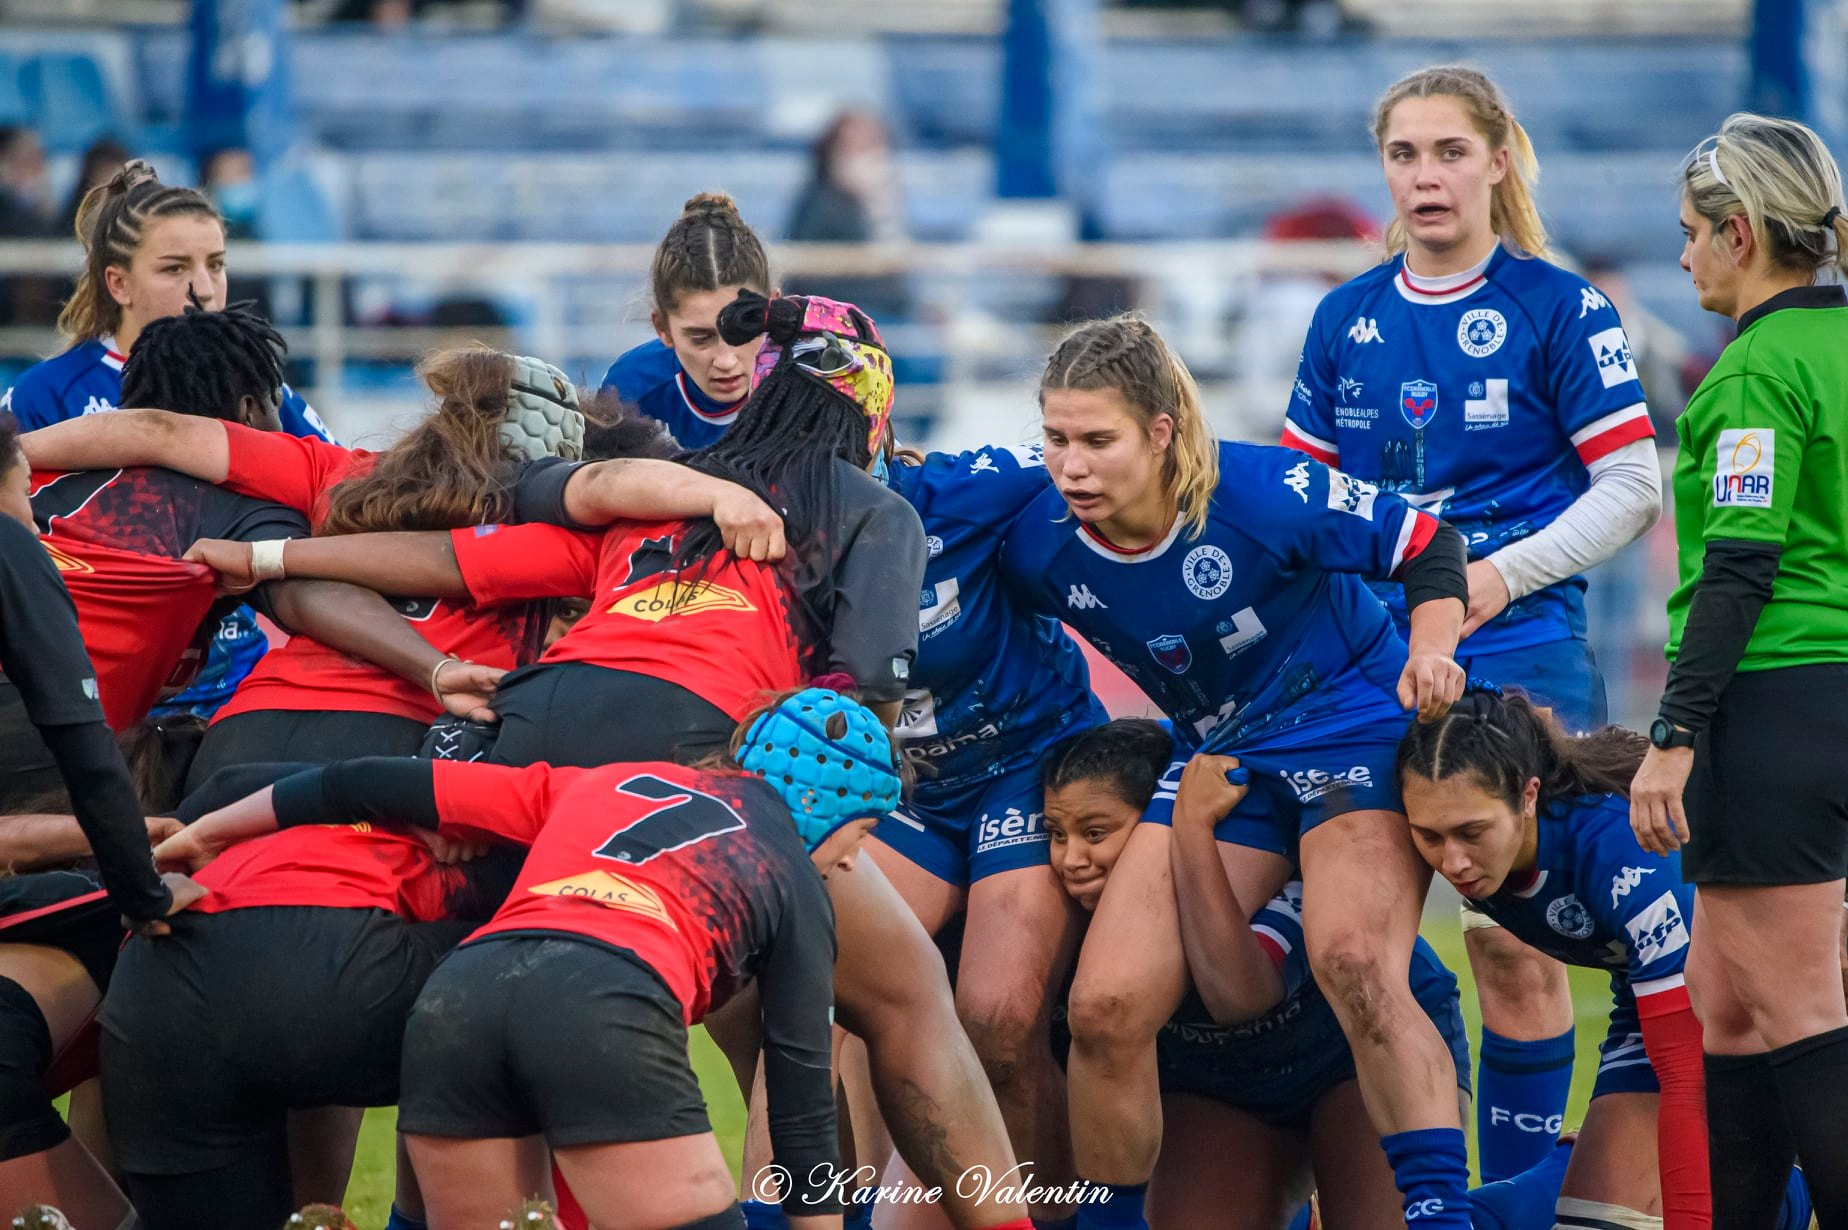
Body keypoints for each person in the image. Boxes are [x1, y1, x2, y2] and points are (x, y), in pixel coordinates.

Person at [187, 292, 1037, 1230]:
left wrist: (271, 558)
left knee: (496, 982)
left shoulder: (651, 490)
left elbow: (459, 554)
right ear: (872, 412)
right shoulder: (874, 510)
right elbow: (855, 710)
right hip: (690, 745)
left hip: (530, 730)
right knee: (903, 998)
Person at [1000, 314, 1471, 1230]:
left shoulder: (1263, 491)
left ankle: (1443, 1214)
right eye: (1055, 440)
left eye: (1098, 441)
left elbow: (1428, 546)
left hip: (1352, 725)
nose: (1072, 467)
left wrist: (1433, 651)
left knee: (1353, 962)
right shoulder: (1039, 545)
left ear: (1163, 432)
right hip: (1224, 754)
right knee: (1103, 1006)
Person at [1280, 64, 1664, 1182]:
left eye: (1449, 152)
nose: (1426, 176)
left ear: (1499, 159)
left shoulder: (1559, 305)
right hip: (1374, 650)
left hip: (1521, 633)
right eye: (1404, 155)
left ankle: (1522, 1196)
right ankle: (1415, 1190)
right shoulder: (1344, 319)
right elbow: (1307, 514)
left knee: (1510, 934)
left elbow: (1633, 485)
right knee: (1354, 946)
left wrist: (1495, 576)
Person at [156, 686, 903, 1230]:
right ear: (828, 810)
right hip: (606, 999)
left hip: (461, 997)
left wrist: (206, 833)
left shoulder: (602, 781)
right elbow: (802, 1088)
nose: (850, 861)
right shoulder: (793, 872)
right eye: (861, 836)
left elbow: (365, 781)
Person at [22, 336, 595, 790]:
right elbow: (445, 562)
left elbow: (153, 429)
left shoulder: (340, 470)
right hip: (396, 736)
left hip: (243, 731)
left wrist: (12, 460)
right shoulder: (559, 544)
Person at [1628, 113, 1848, 1226]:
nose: (1681, 258)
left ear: (1741, 232)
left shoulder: (1758, 371)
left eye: (1690, 234)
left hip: (1775, 701)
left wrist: (1672, 738)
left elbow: (1741, 569)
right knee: (1725, 1004)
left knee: (1804, 1007)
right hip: (1828, 699)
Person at [1040, 719, 1472, 1230]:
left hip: (1349, 1060)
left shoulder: (1270, 865)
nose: (1072, 860)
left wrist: (1192, 830)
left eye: (1096, 833)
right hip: (1217, 1085)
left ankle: (1530, 1191)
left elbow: (1239, 997)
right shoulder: (1062, 901)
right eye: (1055, 834)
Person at [2, 159, 333, 728]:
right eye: (175, 269)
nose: (204, 291)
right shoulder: (47, 393)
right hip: (101, 689)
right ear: (119, 283)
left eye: (217, 265)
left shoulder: (259, 385)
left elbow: (335, 498)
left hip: (240, 684)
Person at [1400, 687, 1707, 1228]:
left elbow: (1688, 1067)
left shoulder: (1620, 852)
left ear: (1528, 796)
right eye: (1429, 836)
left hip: (1769, 998)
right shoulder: (1472, 814)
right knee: (1591, 1217)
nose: (1453, 861)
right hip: (1652, 1003)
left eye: (1472, 833)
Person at [601, 193, 773, 450]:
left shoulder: (816, 381)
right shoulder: (631, 391)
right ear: (663, 328)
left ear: (773, 310)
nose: (726, 361)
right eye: (700, 338)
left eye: (745, 329)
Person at [785, 110, 913, 324]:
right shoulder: (820, 204)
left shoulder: (886, 202)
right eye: (855, 148)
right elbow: (813, 281)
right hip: (841, 320)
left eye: (873, 146)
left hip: (888, 313)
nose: (869, 158)